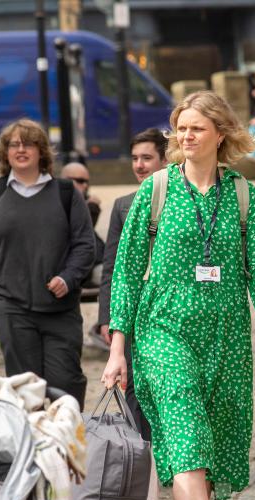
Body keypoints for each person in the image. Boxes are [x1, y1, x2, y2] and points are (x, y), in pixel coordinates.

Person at [102, 90, 255, 500]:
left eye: (196, 129)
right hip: (163, 332)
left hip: (227, 337)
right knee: (186, 433)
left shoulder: (242, 195)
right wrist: (118, 347)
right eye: (179, 129)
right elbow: (124, 273)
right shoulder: (156, 191)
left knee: (205, 445)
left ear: (220, 135)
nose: (185, 137)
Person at [0, 118, 95, 407]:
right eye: (14, 144)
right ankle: (30, 448)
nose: (21, 149)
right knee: (25, 388)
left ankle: (66, 445)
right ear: (5, 152)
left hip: (60, 310)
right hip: (11, 306)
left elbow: (86, 246)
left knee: (66, 384)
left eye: (29, 144)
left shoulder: (66, 193)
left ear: (42, 151)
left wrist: (68, 277)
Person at [96, 128, 168, 438]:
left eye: (147, 158)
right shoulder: (123, 205)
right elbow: (111, 267)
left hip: (168, 307)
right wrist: (106, 318)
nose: (139, 165)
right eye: (135, 158)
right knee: (135, 386)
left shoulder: (180, 201)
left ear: (165, 160)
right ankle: (144, 455)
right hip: (133, 309)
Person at [61, 162, 105, 293]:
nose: (85, 185)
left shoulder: (82, 201)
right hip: (84, 270)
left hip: (96, 262)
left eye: (86, 182)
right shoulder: (58, 202)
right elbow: (78, 232)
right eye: (80, 181)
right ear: (66, 180)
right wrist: (91, 209)